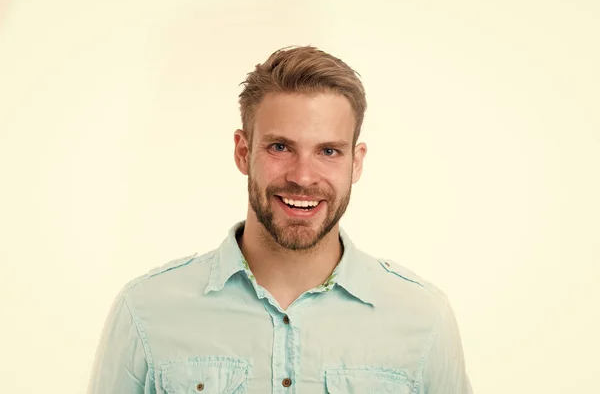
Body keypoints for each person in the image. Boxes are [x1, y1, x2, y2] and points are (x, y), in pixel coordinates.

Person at [87, 45, 472, 393]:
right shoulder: (146, 311)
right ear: (243, 151)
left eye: (328, 151)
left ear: (356, 162)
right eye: (280, 147)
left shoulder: (423, 319)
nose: (303, 177)